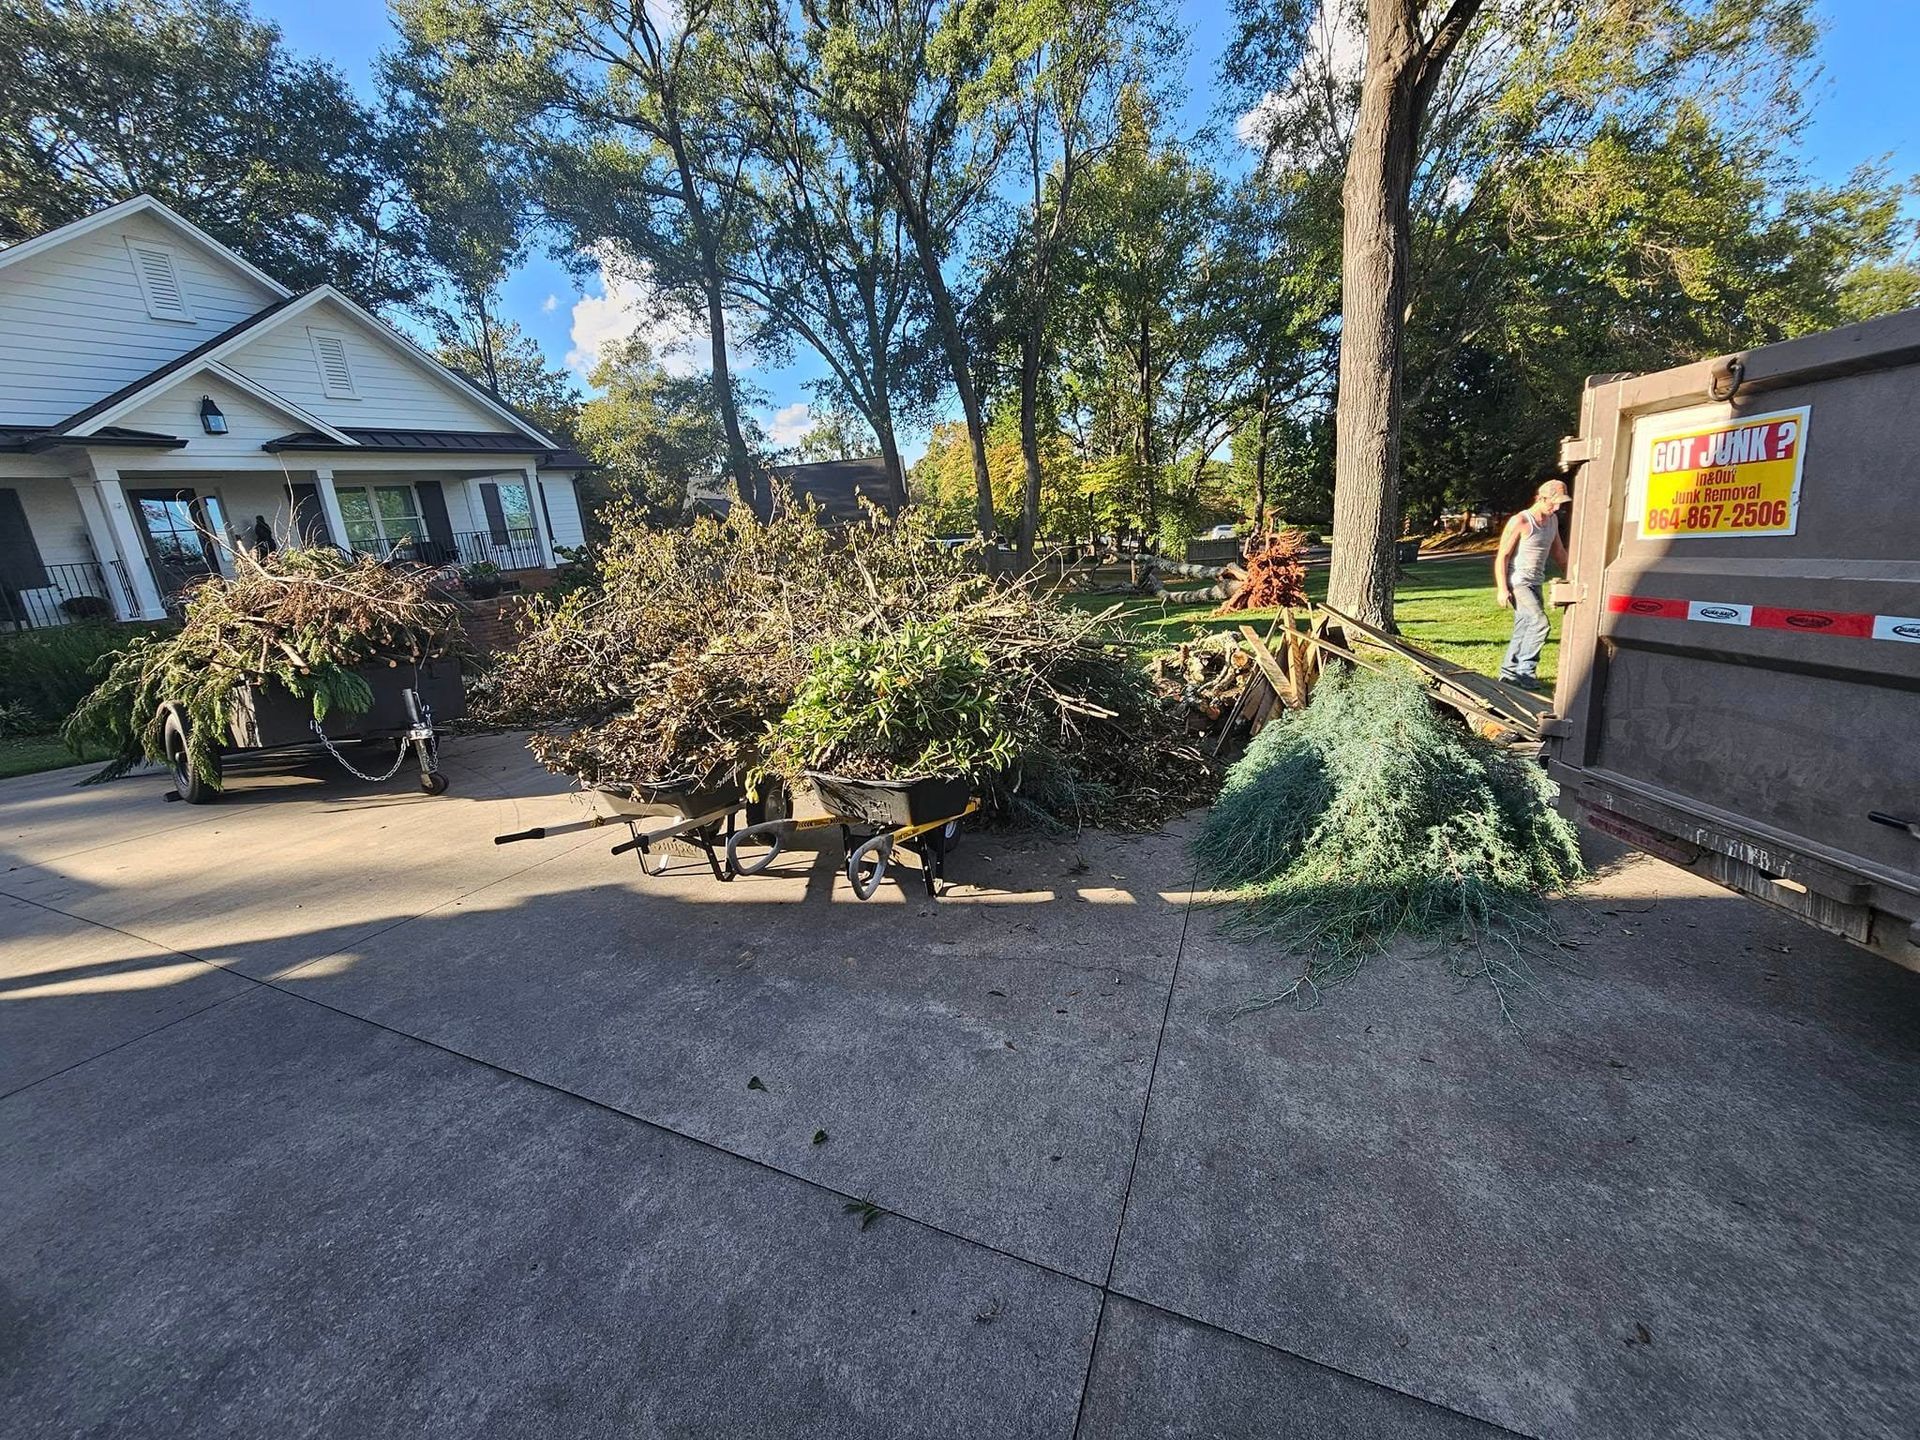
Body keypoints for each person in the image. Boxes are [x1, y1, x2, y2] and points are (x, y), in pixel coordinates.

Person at [1495, 478, 1571, 688]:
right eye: (1553, 503)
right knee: (1540, 623)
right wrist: (1502, 589)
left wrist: (1572, 576)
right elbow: (1503, 556)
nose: (1556, 507)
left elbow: (1559, 553)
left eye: (1560, 503)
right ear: (1541, 498)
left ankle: (1508, 673)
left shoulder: (1552, 521)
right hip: (1518, 582)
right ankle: (1525, 672)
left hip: (1536, 582)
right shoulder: (1520, 521)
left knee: (1524, 626)